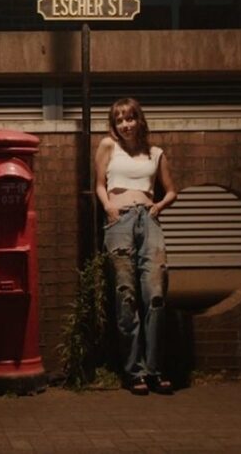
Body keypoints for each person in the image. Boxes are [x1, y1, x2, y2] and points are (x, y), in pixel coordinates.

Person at [94, 97, 177, 395]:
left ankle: (155, 369)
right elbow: (100, 184)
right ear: (114, 125)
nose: (125, 124)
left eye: (130, 118)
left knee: (155, 294)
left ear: (140, 120)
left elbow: (171, 191)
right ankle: (135, 372)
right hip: (120, 223)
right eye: (119, 120)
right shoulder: (107, 147)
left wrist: (158, 207)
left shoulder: (155, 153)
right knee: (125, 294)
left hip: (149, 221)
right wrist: (109, 208)